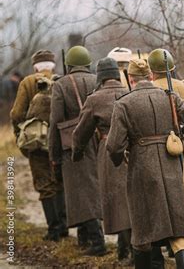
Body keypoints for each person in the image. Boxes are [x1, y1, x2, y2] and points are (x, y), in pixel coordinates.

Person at [106, 58, 184, 269]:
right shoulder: (169, 97)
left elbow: (114, 146)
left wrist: (119, 160)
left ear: (130, 79)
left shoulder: (123, 103)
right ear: (150, 76)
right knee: (179, 228)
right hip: (173, 165)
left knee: (143, 231)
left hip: (141, 169)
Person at [72, 58, 132, 262]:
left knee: (116, 200)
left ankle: (126, 250)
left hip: (108, 152)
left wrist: (77, 153)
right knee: (133, 197)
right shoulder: (129, 92)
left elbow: (80, 133)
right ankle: (134, 248)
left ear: (100, 77)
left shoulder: (95, 99)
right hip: (134, 150)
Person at [49, 46, 105, 256]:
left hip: (72, 143)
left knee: (80, 191)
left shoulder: (61, 85)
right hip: (97, 139)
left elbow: (55, 122)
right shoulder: (96, 81)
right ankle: (85, 238)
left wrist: (53, 155)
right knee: (90, 187)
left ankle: (97, 242)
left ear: (69, 65)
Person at [10, 50, 67, 241]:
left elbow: (17, 113)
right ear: (53, 66)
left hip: (37, 142)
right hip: (60, 140)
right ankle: (65, 226)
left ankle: (54, 230)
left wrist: (21, 134)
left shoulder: (27, 82)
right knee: (60, 182)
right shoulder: (62, 80)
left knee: (44, 183)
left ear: (35, 67)